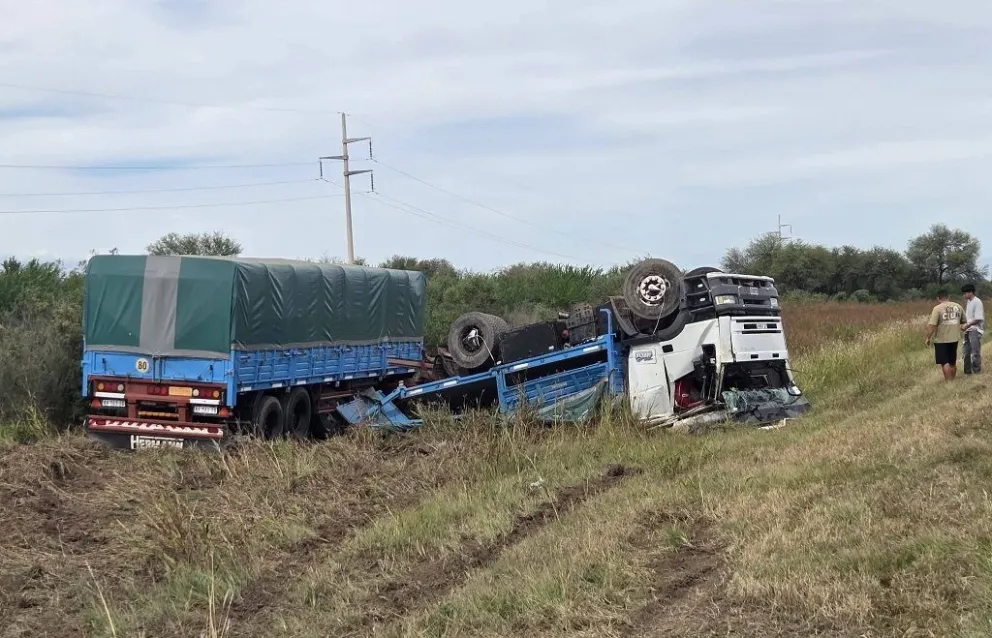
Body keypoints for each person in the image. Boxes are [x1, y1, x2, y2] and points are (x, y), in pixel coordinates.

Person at [926, 289, 966, 381]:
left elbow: (932, 325)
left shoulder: (937, 308)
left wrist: (928, 338)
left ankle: (949, 383)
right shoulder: (958, 306)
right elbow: (964, 321)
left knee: (944, 362)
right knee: (952, 362)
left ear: (938, 298)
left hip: (941, 340)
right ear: (948, 297)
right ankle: (952, 379)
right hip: (954, 338)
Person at [961, 283, 984, 374]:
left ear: (970, 292)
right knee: (966, 353)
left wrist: (967, 325)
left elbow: (978, 318)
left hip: (975, 330)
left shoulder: (977, 302)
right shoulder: (969, 301)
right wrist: (964, 325)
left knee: (975, 352)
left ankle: (977, 371)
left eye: (965, 293)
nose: (964, 295)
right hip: (968, 330)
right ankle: (967, 372)